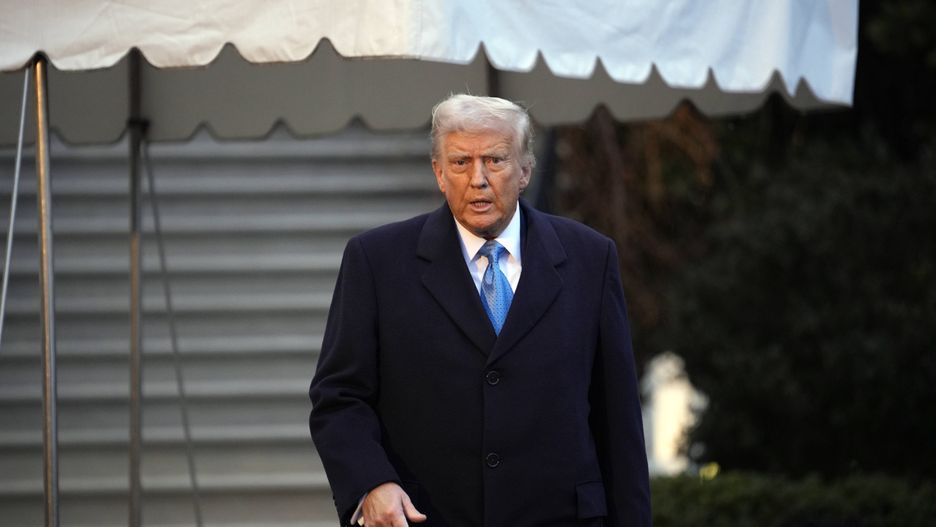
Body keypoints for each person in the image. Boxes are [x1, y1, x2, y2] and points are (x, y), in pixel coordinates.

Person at [309, 94, 651, 527]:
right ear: (438, 172)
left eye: (494, 160)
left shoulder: (591, 258)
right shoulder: (376, 262)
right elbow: (338, 399)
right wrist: (370, 483)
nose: (478, 179)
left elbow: (618, 421)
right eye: (460, 163)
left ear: (525, 170)